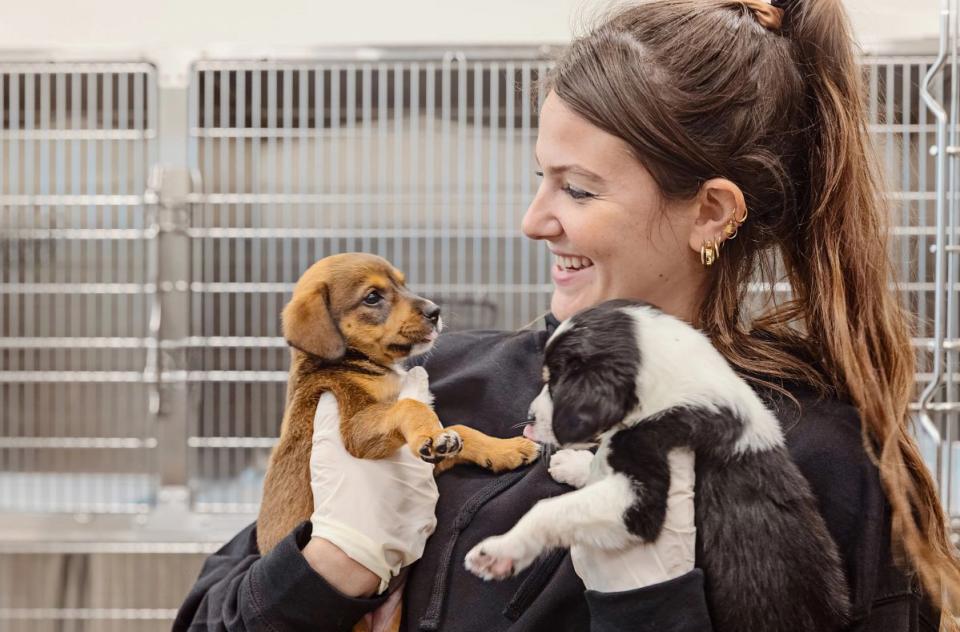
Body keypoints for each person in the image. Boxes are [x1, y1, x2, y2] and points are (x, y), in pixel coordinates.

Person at [174, 0, 960, 630]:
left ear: (711, 214)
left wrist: (650, 607)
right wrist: (329, 567)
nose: (533, 218)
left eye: (578, 189)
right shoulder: (439, 388)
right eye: (539, 177)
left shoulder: (820, 463)